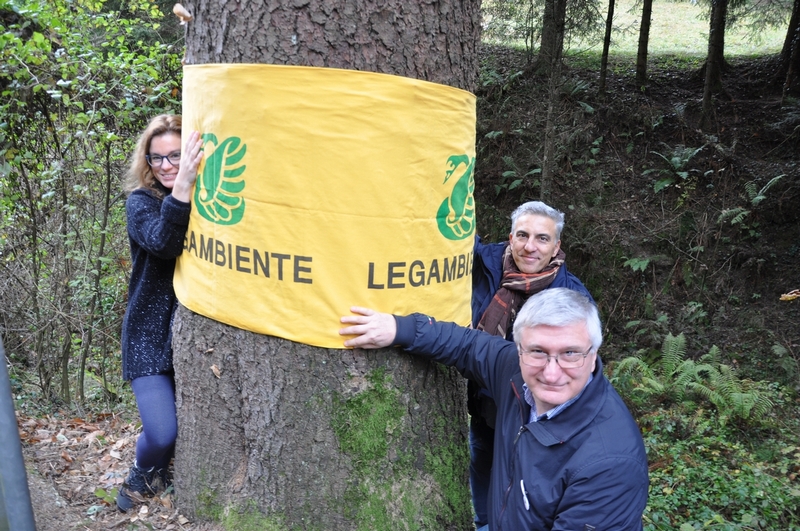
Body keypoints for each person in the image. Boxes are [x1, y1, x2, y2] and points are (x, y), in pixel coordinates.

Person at [340, 288, 649, 531]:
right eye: (538, 351)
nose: (552, 373)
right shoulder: (514, 371)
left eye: (570, 353)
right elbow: (468, 345)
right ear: (520, 349)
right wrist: (401, 328)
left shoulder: (609, 464)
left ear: (593, 355)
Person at [469, 200, 593, 529]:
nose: (529, 246)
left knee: (521, 498)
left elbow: (580, 368)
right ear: (510, 237)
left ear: (556, 247)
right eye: (522, 235)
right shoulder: (485, 264)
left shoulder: (570, 298)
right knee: (482, 484)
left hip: (534, 421)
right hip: (483, 409)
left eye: (542, 238)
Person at [117, 114, 203, 512]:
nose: (167, 166)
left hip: (193, 333)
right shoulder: (141, 202)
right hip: (149, 333)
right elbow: (162, 243)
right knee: (163, 430)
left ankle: (159, 472)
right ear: (146, 162)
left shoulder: (212, 200)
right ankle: (141, 473)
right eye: (158, 159)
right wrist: (182, 187)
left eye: (175, 156)